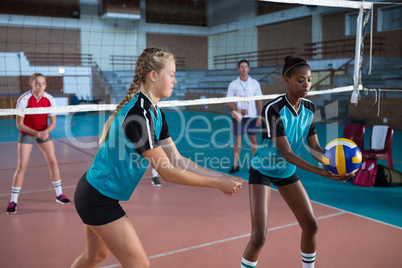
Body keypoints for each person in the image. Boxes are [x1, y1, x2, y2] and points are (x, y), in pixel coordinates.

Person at [72, 48, 244, 268]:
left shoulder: (155, 113)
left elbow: (177, 159)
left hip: (95, 191)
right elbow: (167, 171)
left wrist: (220, 176)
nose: (175, 80)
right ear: (153, 76)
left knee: (94, 257)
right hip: (98, 198)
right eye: (171, 74)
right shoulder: (138, 115)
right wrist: (219, 183)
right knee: (139, 265)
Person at [240, 56, 354, 268]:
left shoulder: (310, 107)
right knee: (259, 236)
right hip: (263, 170)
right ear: (287, 80)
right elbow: (287, 152)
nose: (306, 85)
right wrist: (324, 173)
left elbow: (315, 148)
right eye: (300, 79)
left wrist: (335, 164)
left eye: (309, 80)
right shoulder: (273, 109)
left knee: (311, 226)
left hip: (285, 172)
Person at [6, 73, 71, 215]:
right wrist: (36, 133)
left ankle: (59, 195)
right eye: (37, 83)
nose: (40, 86)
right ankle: (13, 201)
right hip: (27, 133)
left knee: (53, 163)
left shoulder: (49, 99)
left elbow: (53, 122)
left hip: (43, 132)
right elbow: (19, 124)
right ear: (31, 84)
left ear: (45, 85)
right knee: (22, 166)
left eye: (42, 83)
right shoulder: (24, 99)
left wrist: (46, 131)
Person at [226, 59, 263, 174]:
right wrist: (239, 110)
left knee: (253, 140)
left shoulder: (255, 83)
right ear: (238, 69)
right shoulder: (233, 84)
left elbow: (259, 100)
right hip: (238, 116)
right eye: (241, 67)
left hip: (252, 116)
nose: (243, 69)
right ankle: (236, 165)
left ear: (248, 68)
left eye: (245, 67)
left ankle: (255, 165)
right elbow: (228, 101)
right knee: (238, 141)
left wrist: (260, 116)